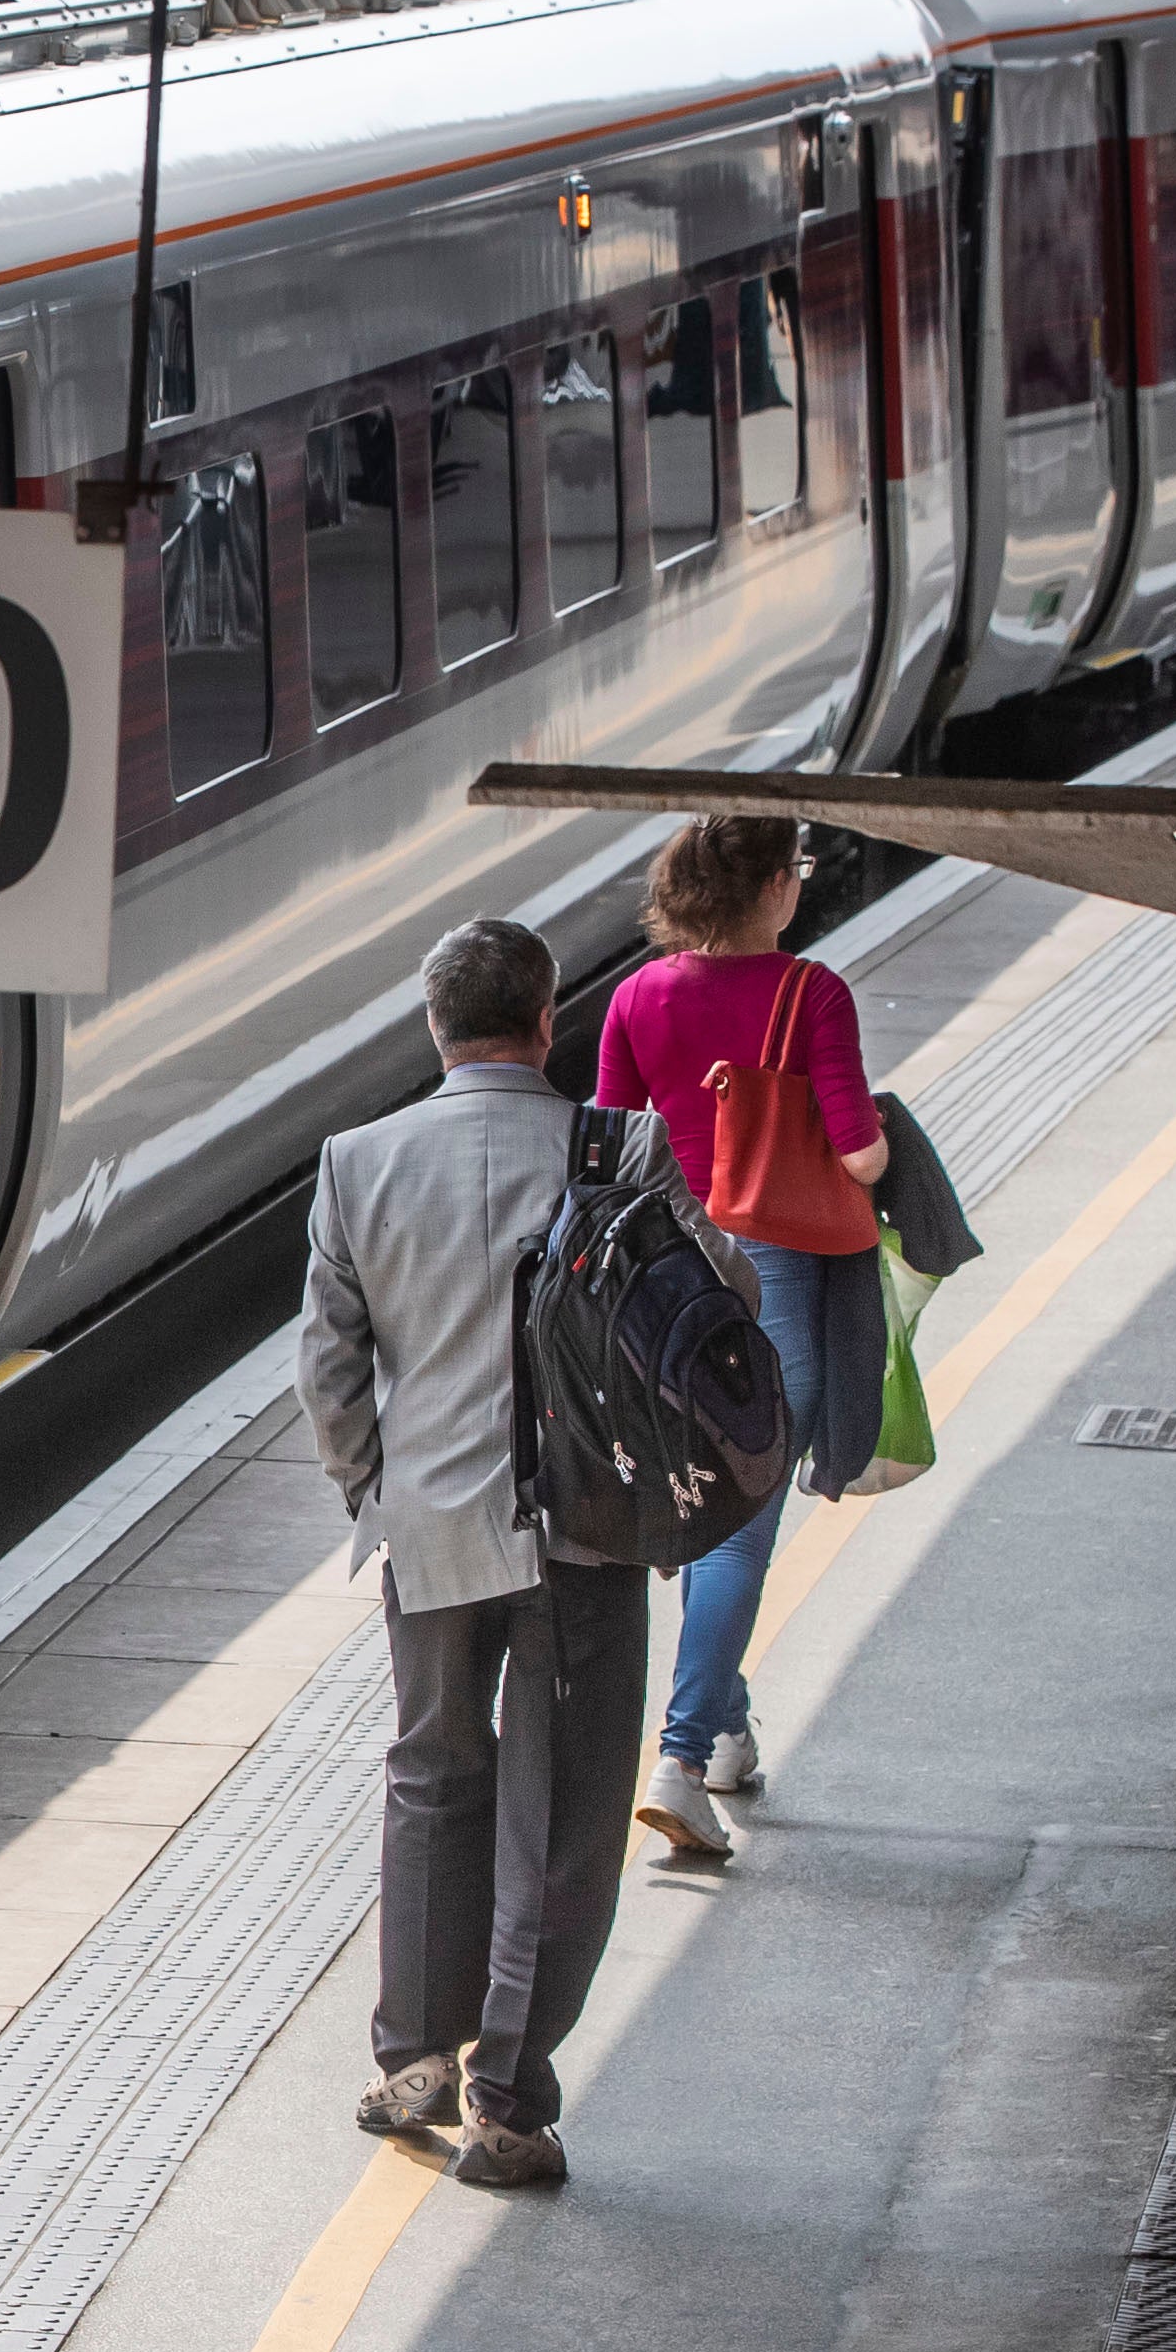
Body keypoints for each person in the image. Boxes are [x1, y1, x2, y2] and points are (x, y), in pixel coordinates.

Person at [299, 916, 640, 2189]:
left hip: (431, 1527)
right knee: (562, 1813)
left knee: (433, 1775)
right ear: (547, 1022)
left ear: (433, 1026)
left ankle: (412, 2063)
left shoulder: (356, 1163)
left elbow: (328, 1371)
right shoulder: (618, 1150)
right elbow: (709, 1303)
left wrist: (373, 1491)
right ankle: (507, 2101)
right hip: (585, 1533)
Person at [593, 815, 886, 1862]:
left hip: (666, 1282)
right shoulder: (813, 994)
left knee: (706, 1497)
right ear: (769, 886)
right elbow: (854, 1158)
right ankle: (677, 1756)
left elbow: (610, 1150)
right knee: (742, 1518)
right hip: (775, 1275)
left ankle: (723, 1731)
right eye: (795, 872)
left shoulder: (635, 996)